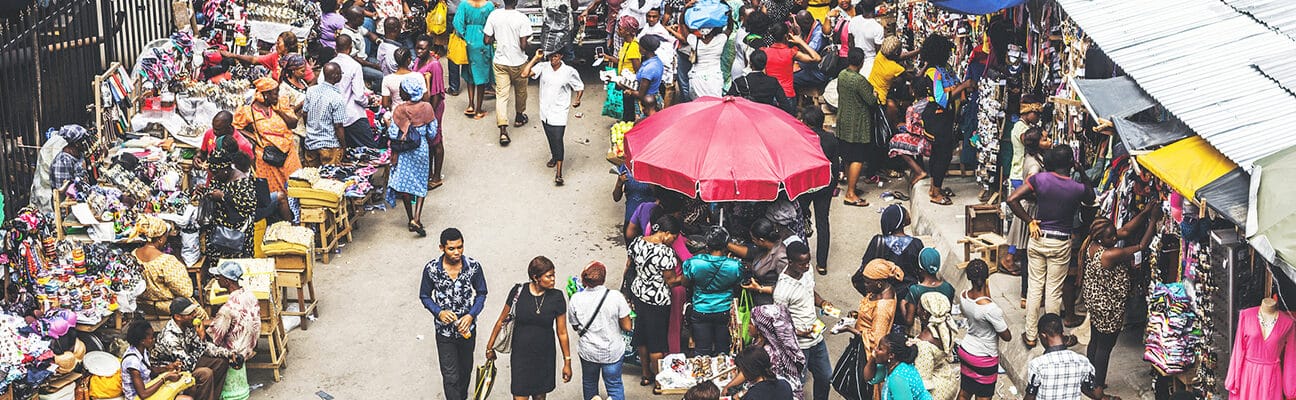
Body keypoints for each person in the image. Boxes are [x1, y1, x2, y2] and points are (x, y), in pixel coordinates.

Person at [1008, 145, 1092, 348]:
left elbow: (1012, 199)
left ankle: (1030, 335)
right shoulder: (1077, 187)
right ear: (1071, 163)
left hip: (1038, 237)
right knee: (1053, 291)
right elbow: (1091, 197)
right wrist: (1081, 171)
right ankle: (1053, 337)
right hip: (1061, 241)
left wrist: (1029, 220)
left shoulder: (1040, 179)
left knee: (1035, 288)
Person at [1079, 214, 1157, 400]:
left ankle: (1089, 380)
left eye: (1114, 235)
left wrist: (1145, 211)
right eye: (1111, 237)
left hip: (1095, 301)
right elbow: (1140, 247)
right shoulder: (1109, 254)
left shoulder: (1093, 244)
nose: (1115, 239)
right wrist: (1152, 220)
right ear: (1101, 238)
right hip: (1108, 306)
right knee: (1105, 347)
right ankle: (1098, 389)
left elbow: (1127, 230)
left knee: (1096, 341)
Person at [744, 241, 833, 400]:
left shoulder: (808, 270)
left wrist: (822, 302)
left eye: (808, 262)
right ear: (790, 263)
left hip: (817, 339)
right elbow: (779, 323)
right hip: (799, 345)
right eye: (802, 264)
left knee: (825, 377)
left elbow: (810, 291)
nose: (806, 266)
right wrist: (799, 332)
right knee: (797, 383)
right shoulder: (782, 291)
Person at [485, 256, 573, 399]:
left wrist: (567, 362)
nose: (553, 280)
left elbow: (562, 332)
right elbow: (501, 320)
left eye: (554, 275)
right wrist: (489, 347)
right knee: (520, 396)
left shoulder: (557, 297)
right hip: (521, 358)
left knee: (539, 397)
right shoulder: (518, 292)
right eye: (549, 276)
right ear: (535, 277)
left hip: (544, 357)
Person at [419, 228, 489, 400]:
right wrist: (438, 312)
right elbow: (424, 295)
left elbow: (481, 293)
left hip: (467, 332)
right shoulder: (431, 269)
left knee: (465, 372)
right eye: (451, 248)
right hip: (444, 333)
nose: (457, 252)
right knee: (450, 376)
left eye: (460, 247)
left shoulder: (473, 267)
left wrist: (471, 315)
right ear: (441, 248)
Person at [625, 214, 682, 389]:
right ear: (666, 233)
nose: (673, 241)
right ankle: (659, 382)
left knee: (642, 337)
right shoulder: (666, 253)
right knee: (657, 342)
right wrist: (686, 278)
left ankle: (645, 374)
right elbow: (671, 281)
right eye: (674, 237)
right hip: (658, 301)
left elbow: (629, 265)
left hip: (639, 294)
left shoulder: (637, 242)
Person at [919, 34, 975, 205]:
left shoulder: (946, 68)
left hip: (947, 117)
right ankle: (935, 193)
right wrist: (963, 87)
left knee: (943, 154)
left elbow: (955, 84)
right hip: (937, 118)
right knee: (941, 155)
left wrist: (961, 88)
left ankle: (935, 187)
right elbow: (941, 99)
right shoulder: (933, 72)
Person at [567, 261, 632, 400]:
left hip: (588, 352)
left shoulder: (576, 299)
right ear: (603, 278)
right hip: (612, 352)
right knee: (614, 385)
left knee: (589, 382)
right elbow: (627, 326)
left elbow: (574, 325)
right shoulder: (616, 297)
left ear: (584, 280)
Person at [521, 49, 585, 186]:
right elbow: (524, 74)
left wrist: (578, 99)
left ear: (561, 56)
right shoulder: (543, 67)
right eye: (550, 56)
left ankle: (559, 173)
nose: (553, 59)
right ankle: (554, 156)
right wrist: (535, 58)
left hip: (560, 111)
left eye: (555, 56)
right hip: (545, 110)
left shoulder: (569, 71)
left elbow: (579, 87)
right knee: (550, 136)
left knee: (558, 138)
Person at [234, 77, 301, 203]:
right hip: (267, 157)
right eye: (275, 93)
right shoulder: (247, 111)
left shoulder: (281, 103)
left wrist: (279, 112)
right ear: (265, 94)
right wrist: (253, 137)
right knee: (274, 192)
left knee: (295, 187)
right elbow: (236, 128)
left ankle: (294, 215)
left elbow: (293, 123)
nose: (277, 95)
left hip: (289, 155)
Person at [151, 298, 230, 400]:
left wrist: (229, 354)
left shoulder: (187, 327)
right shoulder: (169, 337)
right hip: (172, 372)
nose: (194, 315)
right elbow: (188, 364)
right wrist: (202, 339)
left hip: (187, 363)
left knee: (222, 362)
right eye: (189, 314)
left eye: (193, 312)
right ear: (178, 317)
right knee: (206, 373)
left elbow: (204, 347)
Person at [681, 226, 743, 357]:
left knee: (702, 351)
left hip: (700, 309)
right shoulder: (735, 265)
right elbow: (738, 283)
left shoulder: (693, 263)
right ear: (726, 245)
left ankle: (703, 376)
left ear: (707, 245)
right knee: (723, 350)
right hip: (724, 310)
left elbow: (684, 283)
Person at [388, 76, 437, 237]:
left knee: (406, 185)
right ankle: (417, 218)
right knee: (421, 183)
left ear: (407, 92)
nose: (400, 92)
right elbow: (432, 132)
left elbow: (394, 133)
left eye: (402, 89)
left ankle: (410, 219)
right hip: (421, 148)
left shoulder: (400, 110)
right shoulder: (427, 107)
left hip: (405, 151)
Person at [957, 259, 1011, 400]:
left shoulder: (963, 296)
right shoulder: (991, 309)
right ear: (987, 277)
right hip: (984, 358)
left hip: (966, 350)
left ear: (969, 277)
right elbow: (1007, 336)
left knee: (964, 392)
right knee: (983, 397)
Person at [728, 305, 806, 399]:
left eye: (751, 323)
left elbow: (753, 373)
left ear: (760, 328)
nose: (748, 326)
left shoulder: (771, 353)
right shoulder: (761, 341)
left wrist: (729, 388)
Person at [484, 0, 534, 145]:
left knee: (502, 95)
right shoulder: (522, 18)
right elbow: (524, 45)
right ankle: (519, 116)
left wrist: (499, 38)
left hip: (500, 62)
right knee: (521, 91)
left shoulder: (494, 15)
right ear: (517, 2)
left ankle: (503, 131)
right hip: (519, 62)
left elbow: (486, 39)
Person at [1004, 101, 1044, 273]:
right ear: (1029, 112)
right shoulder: (1021, 129)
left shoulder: (1021, 125)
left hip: (1020, 172)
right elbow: (1028, 141)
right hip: (1020, 173)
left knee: (1021, 219)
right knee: (1022, 219)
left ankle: (1013, 255)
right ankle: (1010, 257)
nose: (1038, 118)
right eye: (1037, 114)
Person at [837, 47, 879, 207]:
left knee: (848, 156)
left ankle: (850, 187)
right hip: (857, 125)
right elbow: (871, 101)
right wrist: (874, 94)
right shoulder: (859, 81)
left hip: (844, 122)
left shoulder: (842, 75)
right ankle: (851, 194)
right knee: (857, 158)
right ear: (861, 62)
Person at [1024, 314, 1099, 400]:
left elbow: (1030, 396)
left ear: (1043, 335)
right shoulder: (1082, 361)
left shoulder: (1037, 365)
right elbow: (1095, 392)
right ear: (1062, 333)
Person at [201, 151, 255, 270]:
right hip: (218, 235)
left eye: (216, 172)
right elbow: (212, 192)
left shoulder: (242, 182)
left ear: (226, 169)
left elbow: (249, 205)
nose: (214, 176)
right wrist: (204, 192)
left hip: (237, 235)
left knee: (238, 269)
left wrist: (224, 197)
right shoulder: (218, 179)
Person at [130, 215, 195, 316]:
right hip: (168, 307)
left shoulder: (133, 254)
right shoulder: (166, 261)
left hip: (143, 305)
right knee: (199, 313)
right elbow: (186, 292)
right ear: (160, 239)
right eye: (165, 236)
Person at [798, 108, 837, 274]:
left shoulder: (800, 138)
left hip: (806, 185)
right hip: (825, 184)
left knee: (800, 218)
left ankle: (801, 259)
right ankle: (822, 264)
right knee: (823, 222)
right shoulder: (831, 139)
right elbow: (835, 166)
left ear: (806, 123)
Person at [864, 204, 925, 301]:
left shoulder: (878, 242)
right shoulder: (916, 244)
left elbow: (865, 271)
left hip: (883, 297)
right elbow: (921, 273)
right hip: (908, 299)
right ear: (901, 221)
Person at [330, 35, 381, 149]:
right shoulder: (354, 66)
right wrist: (368, 101)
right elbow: (358, 96)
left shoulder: (329, 65)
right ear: (350, 47)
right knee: (371, 152)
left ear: (336, 48)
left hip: (333, 117)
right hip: (352, 116)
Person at [727, 217, 789, 307]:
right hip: (757, 298)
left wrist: (760, 288)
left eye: (754, 240)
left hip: (770, 304)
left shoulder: (781, 257)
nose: (753, 242)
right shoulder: (764, 249)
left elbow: (786, 288)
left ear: (761, 240)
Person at [412, 38, 449, 189]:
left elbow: (437, 93)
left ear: (430, 49)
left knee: (436, 139)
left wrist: (430, 114)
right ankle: (428, 172)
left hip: (433, 108)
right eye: (417, 48)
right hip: (422, 107)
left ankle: (436, 176)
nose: (419, 51)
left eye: (423, 49)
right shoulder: (417, 61)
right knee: (428, 140)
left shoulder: (435, 65)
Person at [122, 321, 191, 400]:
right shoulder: (132, 361)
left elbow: (149, 370)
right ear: (142, 341)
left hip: (148, 388)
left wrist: (168, 367)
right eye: (151, 338)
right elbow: (143, 394)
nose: (154, 339)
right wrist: (165, 378)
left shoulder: (142, 350)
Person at [205, 261, 260, 361]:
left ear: (227, 281)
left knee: (200, 343)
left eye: (218, 277)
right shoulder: (250, 295)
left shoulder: (227, 309)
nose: (217, 280)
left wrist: (201, 331)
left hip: (236, 351)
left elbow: (215, 337)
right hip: (250, 344)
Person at [912, 292, 959, 400]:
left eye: (919, 306)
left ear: (924, 312)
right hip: (948, 380)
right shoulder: (947, 325)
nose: (917, 309)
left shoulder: (924, 343)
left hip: (936, 391)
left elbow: (924, 380)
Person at [666, 17, 727, 99]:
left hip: (697, 78)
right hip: (714, 78)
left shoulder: (694, 41)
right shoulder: (720, 40)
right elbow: (730, 28)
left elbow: (683, 27)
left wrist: (684, 12)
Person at [301, 63, 349, 167]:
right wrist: (343, 146)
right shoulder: (337, 97)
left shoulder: (311, 90)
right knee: (329, 179)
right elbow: (338, 126)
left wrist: (310, 129)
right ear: (336, 76)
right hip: (329, 145)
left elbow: (305, 113)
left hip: (311, 143)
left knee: (311, 178)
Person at [453, 0, 495, 119]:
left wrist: (465, 36)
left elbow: (457, 23)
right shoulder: (489, 6)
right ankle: (478, 110)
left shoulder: (464, 4)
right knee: (480, 76)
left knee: (469, 73)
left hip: (468, 41)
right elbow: (492, 25)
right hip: (483, 40)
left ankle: (471, 105)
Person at [218, 31, 314, 82]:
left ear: (287, 47)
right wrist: (233, 55)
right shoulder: (275, 56)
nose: (276, 44)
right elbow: (254, 60)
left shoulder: (298, 62)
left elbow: (312, 80)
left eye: (278, 42)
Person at [851, 258, 901, 354]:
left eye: (868, 282)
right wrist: (859, 315)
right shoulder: (884, 289)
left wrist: (849, 329)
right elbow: (871, 317)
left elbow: (876, 340)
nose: (865, 285)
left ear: (879, 283)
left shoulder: (882, 309)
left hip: (866, 353)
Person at [864, 332, 932, 400]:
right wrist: (872, 357)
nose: (875, 350)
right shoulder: (892, 366)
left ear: (891, 355)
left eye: (880, 349)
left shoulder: (897, 379)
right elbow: (868, 378)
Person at [762, 23, 821, 100]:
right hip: (787, 94)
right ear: (786, 36)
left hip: (770, 94)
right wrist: (800, 42)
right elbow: (816, 58)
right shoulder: (791, 53)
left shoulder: (764, 51)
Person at [726, 50, 792, 112]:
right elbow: (785, 105)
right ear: (765, 64)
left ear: (750, 63)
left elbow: (727, 100)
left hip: (746, 116)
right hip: (766, 117)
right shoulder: (773, 82)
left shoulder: (740, 82)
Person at [903, 247, 953, 327]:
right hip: (942, 333)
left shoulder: (915, 290)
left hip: (924, 333)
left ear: (920, 268)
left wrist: (902, 305)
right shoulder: (948, 288)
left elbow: (909, 321)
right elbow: (948, 315)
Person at [619, 34, 665, 119]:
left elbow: (641, 94)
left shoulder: (649, 69)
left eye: (639, 46)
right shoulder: (656, 61)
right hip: (654, 97)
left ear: (644, 49)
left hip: (647, 104)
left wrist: (629, 91)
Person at [637, 9, 677, 105]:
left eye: (654, 17)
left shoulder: (661, 31)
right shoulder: (646, 28)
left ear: (659, 17)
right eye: (649, 16)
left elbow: (667, 52)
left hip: (661, 68)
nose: (651, 19)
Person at [276, 54, 310, 139]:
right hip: (295, 132)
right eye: (302, 71)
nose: (305, 73)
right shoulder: (285, 89)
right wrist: (301, 105)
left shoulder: (302, 82)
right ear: (293, 71)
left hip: (305, 129)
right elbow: (284, 113)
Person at [847, 0, 883, 76]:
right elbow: (879, 51)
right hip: (870, 61)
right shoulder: (877, 27)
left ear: (861, 7)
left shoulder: (853, 21)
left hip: (856, 60)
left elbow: (850, 43)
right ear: (875, 8)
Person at [48, 124, 89, 191]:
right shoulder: (62, 161)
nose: (86, 143)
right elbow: (62, 192)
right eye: (83, 141)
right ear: (77, 144)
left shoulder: (79, 155)